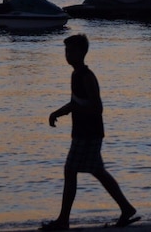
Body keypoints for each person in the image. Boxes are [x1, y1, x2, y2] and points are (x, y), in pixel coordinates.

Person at [41, 34, 138, 230]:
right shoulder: (76, 75)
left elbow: (97, 108)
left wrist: (75, 111)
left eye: (72, 51)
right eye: (66, 51)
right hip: (84, 132)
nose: (68, 55)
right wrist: (58, 112)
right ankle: (126, 208)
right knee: (97, 171)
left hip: (89, 133)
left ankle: (63, 220)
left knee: (71, 171)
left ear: (82, 53)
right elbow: (76, 102)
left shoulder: (86, 76)